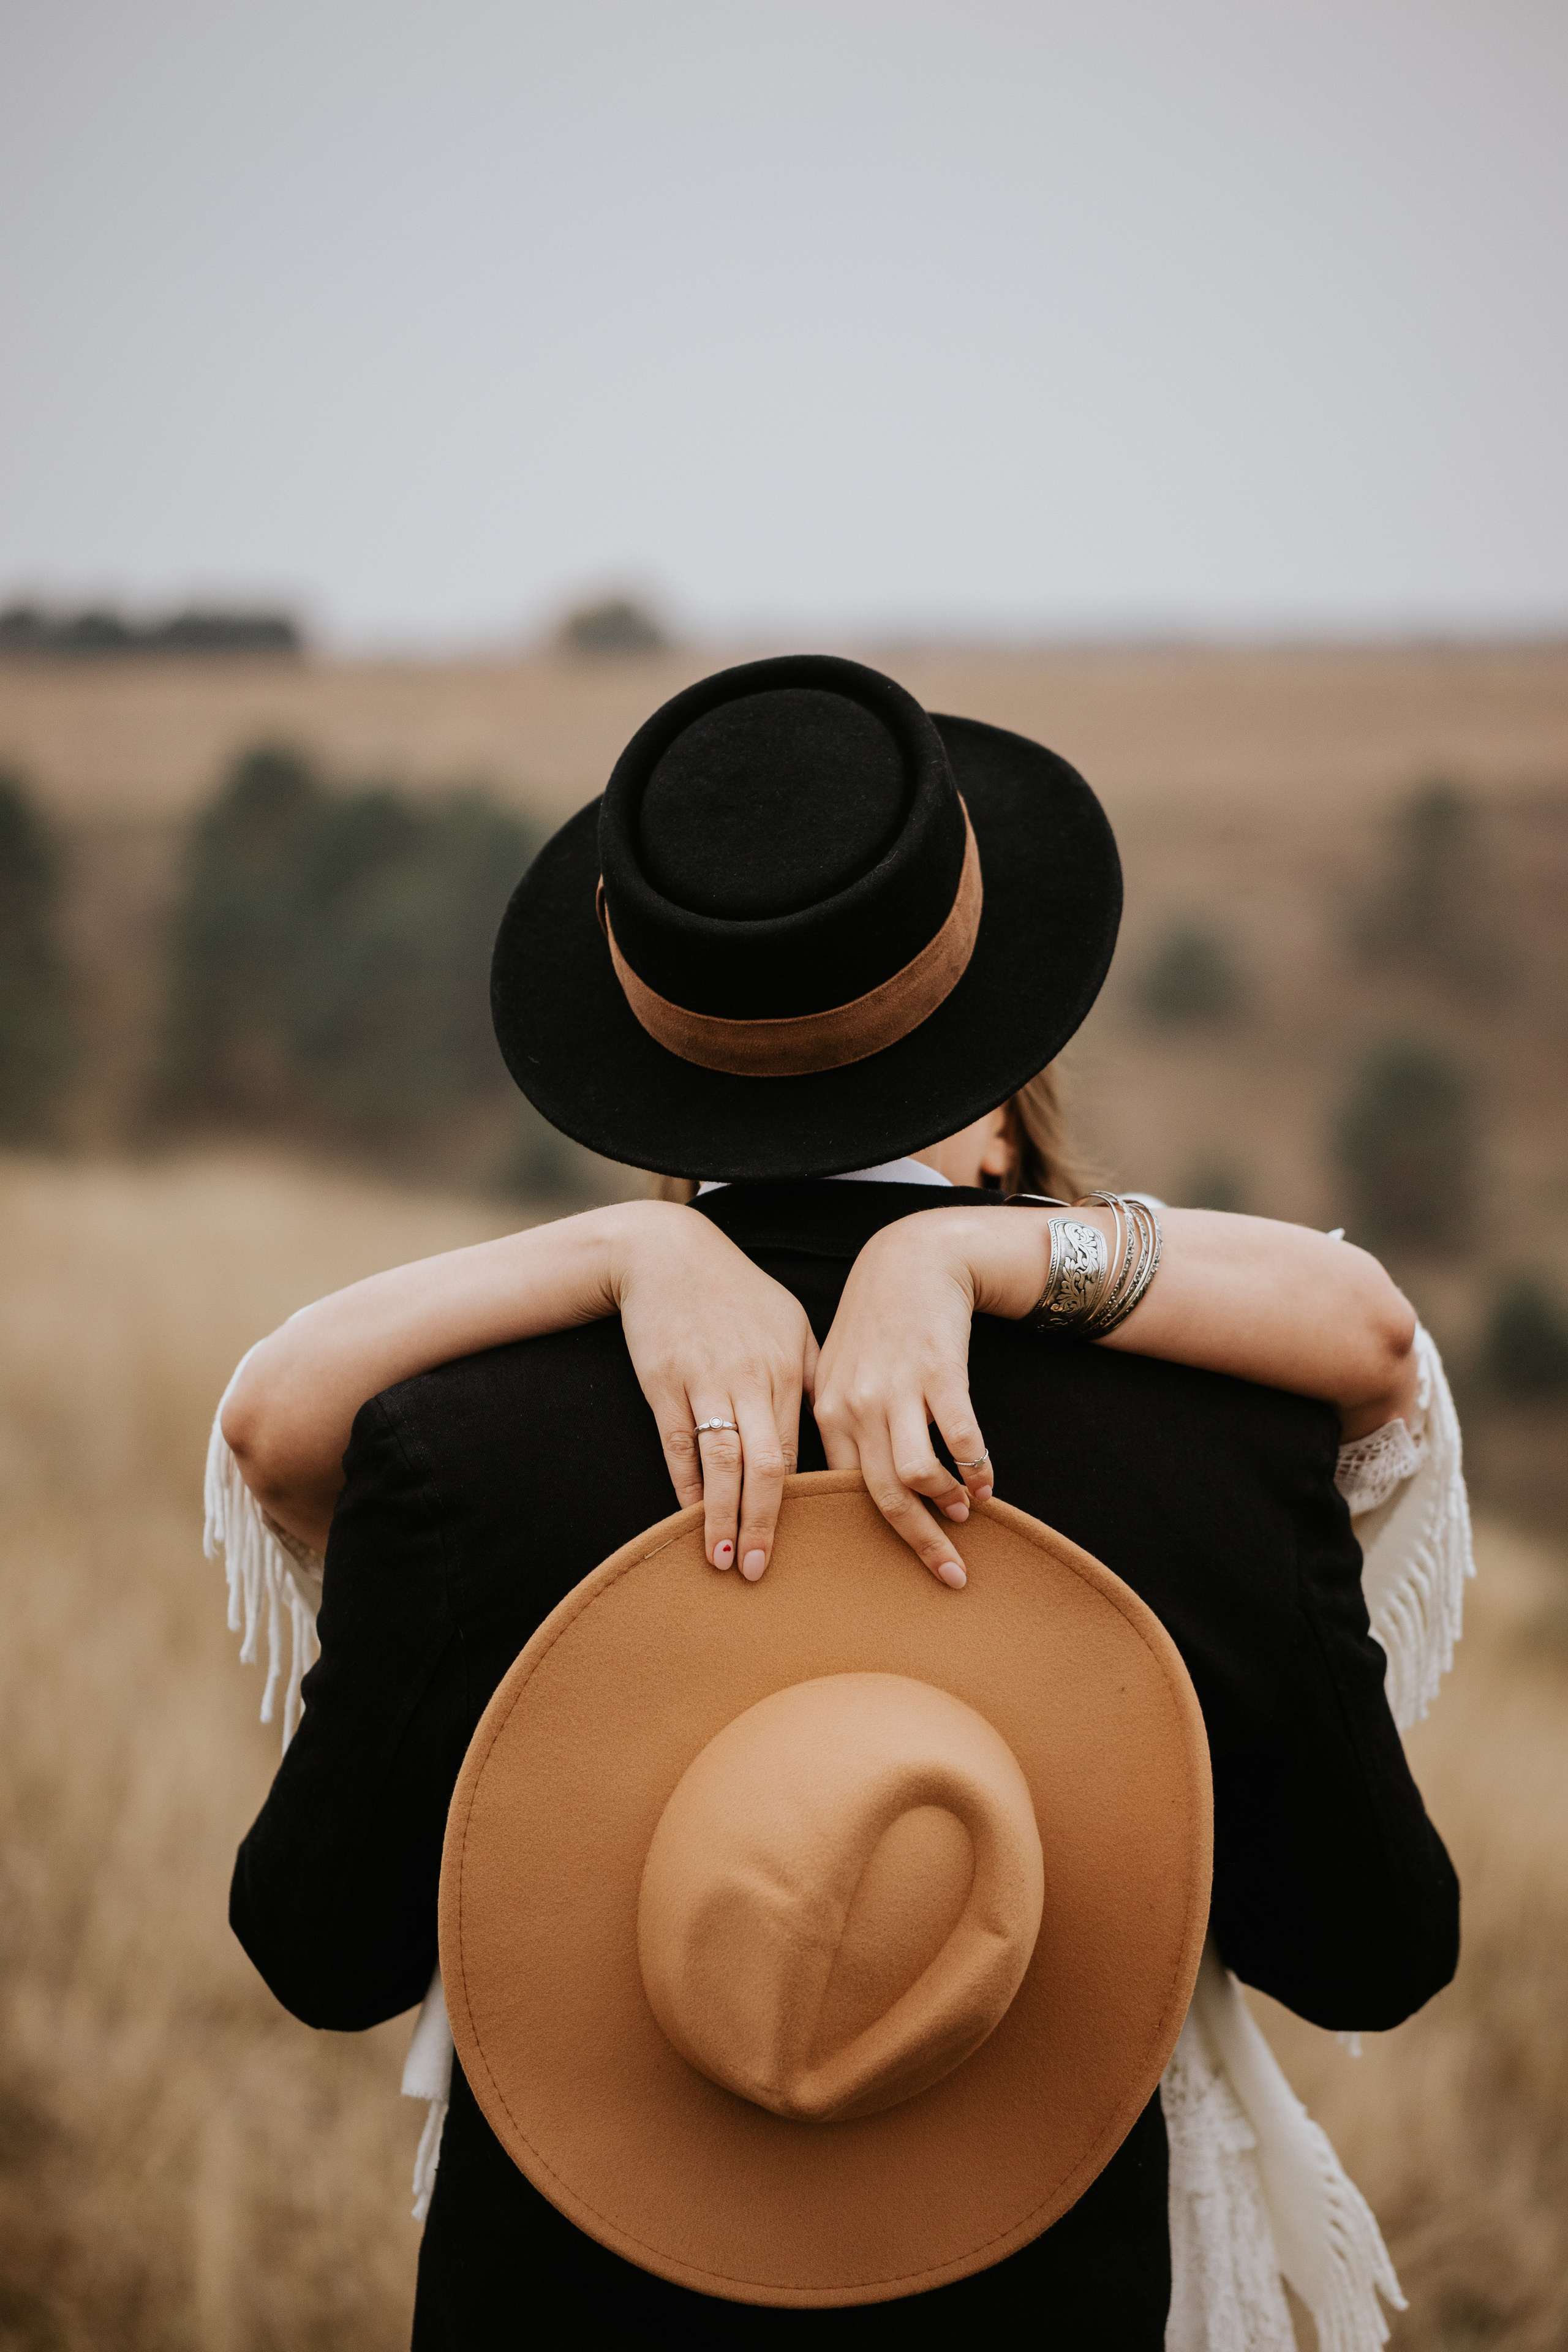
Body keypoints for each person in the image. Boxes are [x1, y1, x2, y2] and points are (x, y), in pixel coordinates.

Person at [211, 655, 1465, 2348]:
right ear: (1001, 1049)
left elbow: (323, 1951)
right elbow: (1373, 1949)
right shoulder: (1215, 1445)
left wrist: (619, 1244)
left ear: (648, 1038)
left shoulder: (457, 1450)